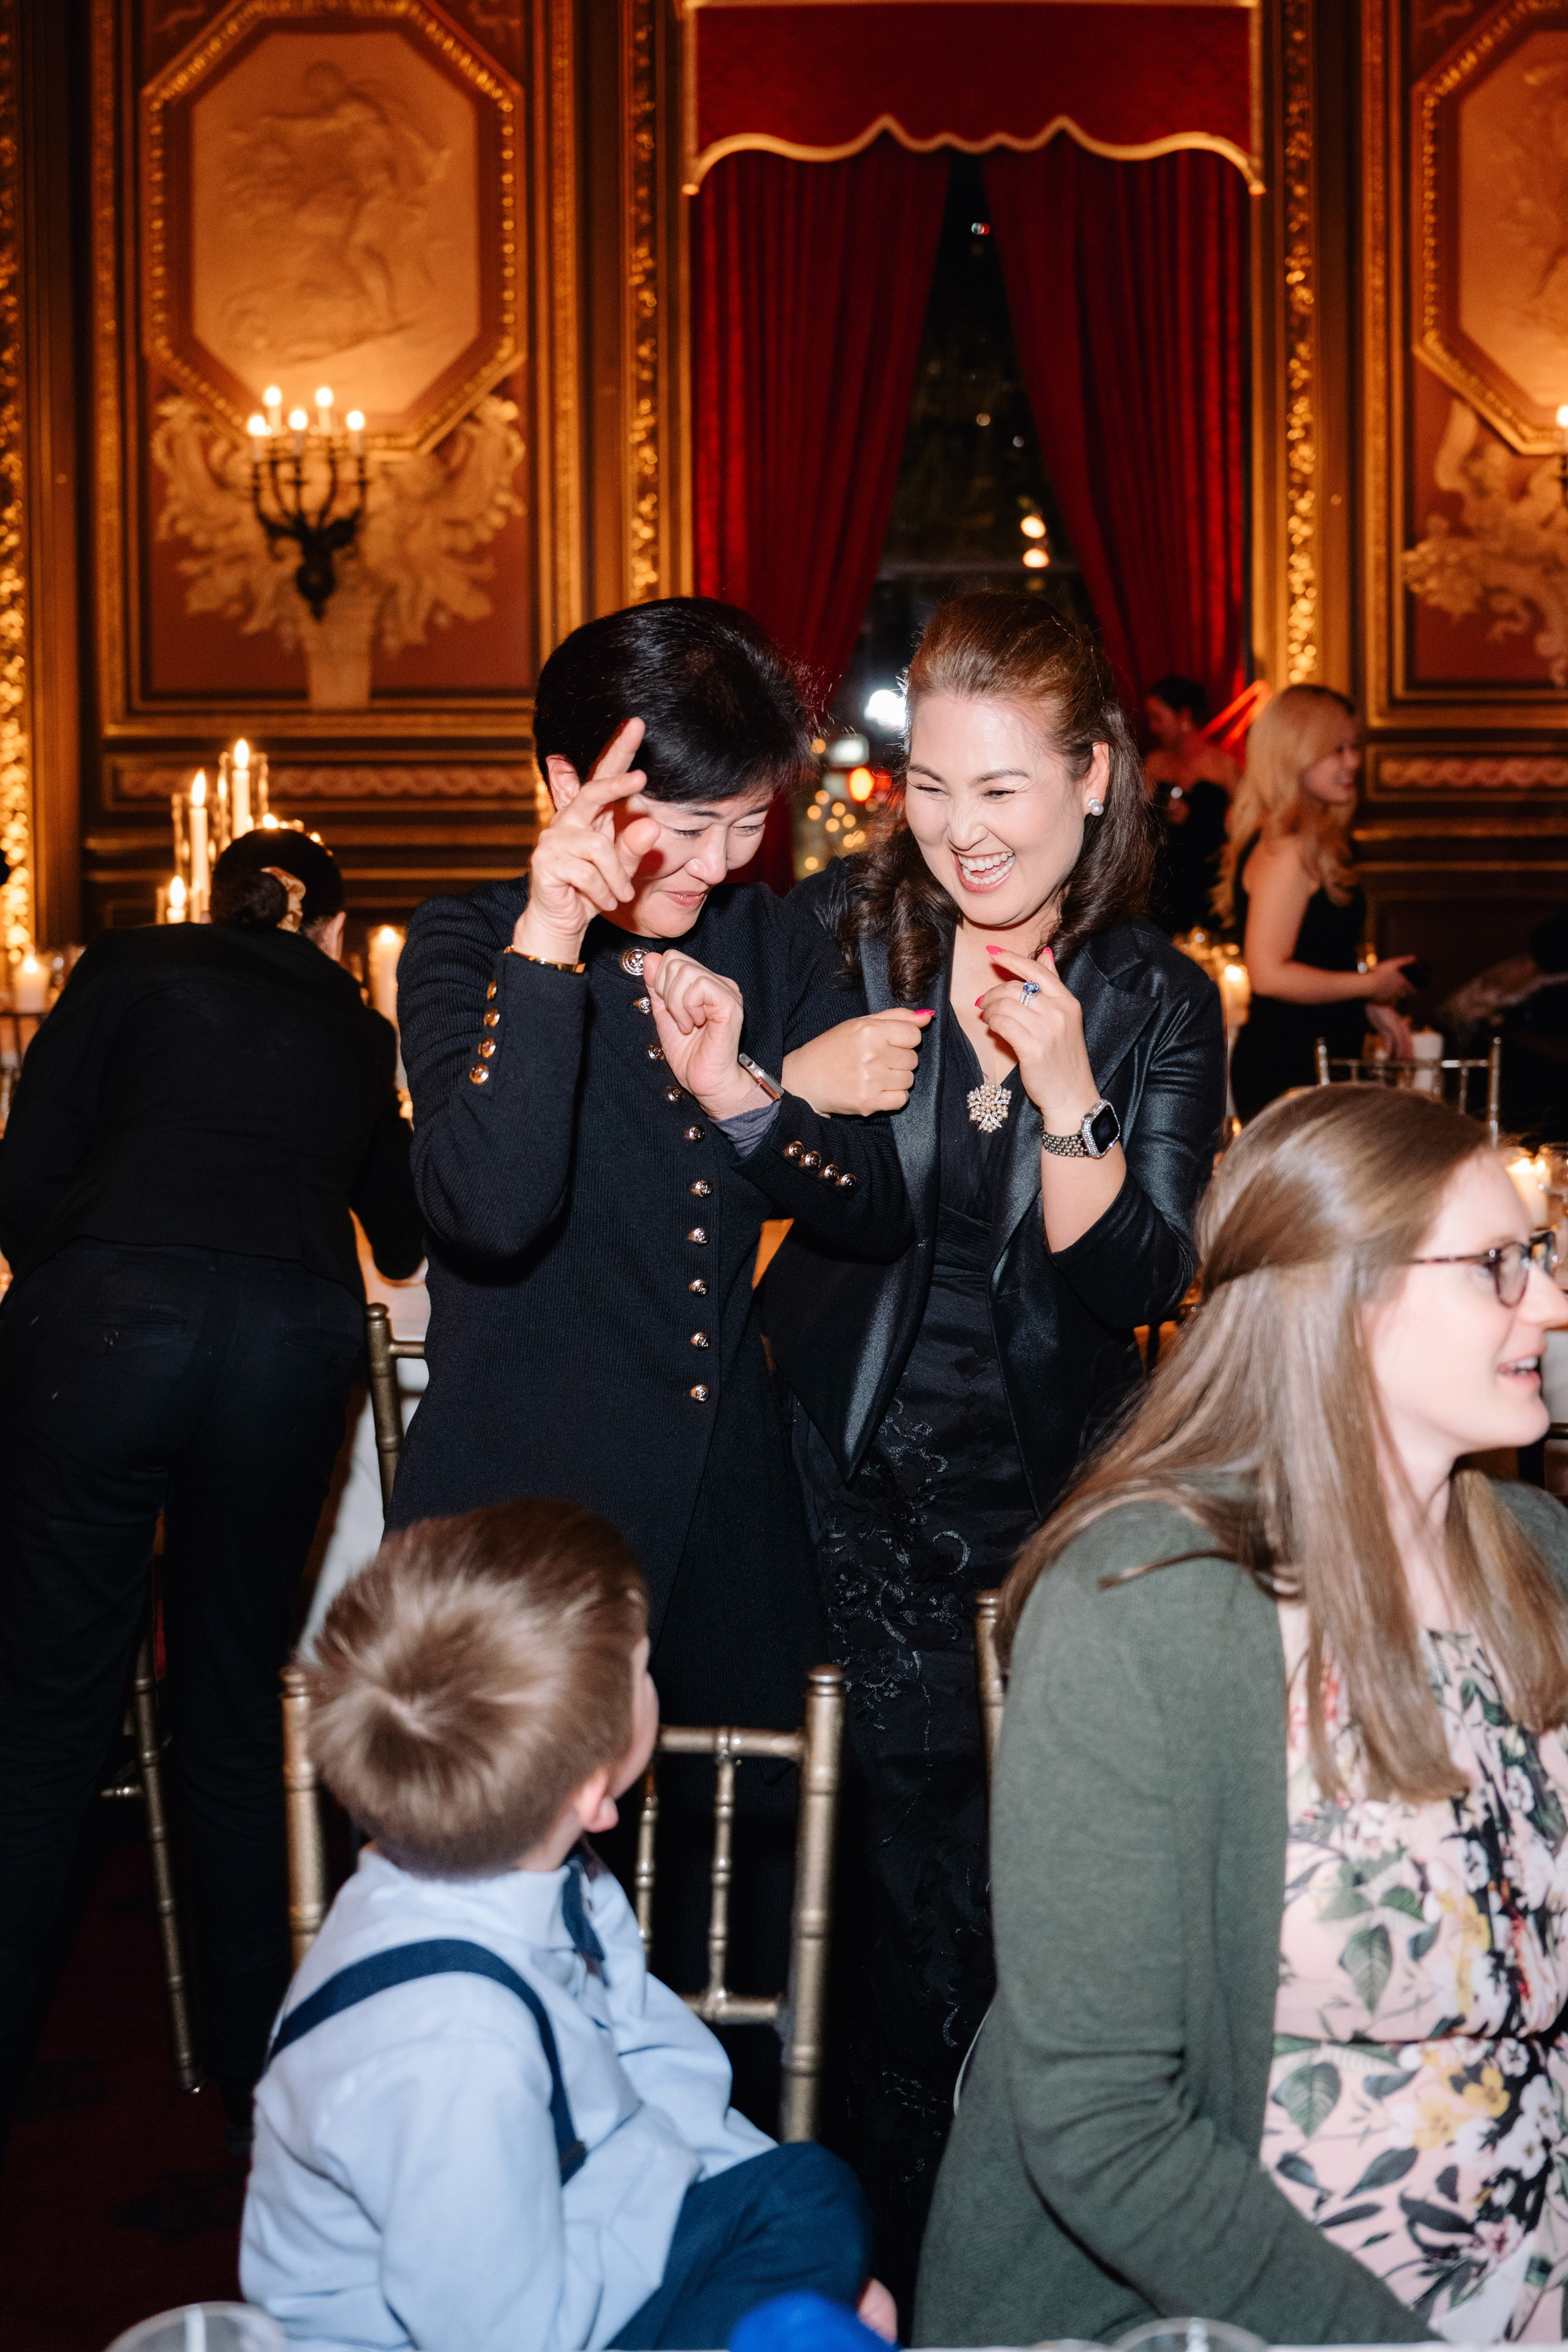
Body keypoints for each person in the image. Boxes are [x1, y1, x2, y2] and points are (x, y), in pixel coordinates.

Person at [917, 1084, 1568, 2348]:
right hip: (1248, 2303)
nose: (1546, 1303)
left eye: (1534, 1257)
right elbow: (1105, 2125)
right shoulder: (1148, 1608)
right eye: (1497, 1266)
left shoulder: (1534, 1557)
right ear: (1340, 1299)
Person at [761, 592, 1227, 2305]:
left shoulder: (1157, 996)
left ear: (1095, 784)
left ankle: (1044, 2239)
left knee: (1055, 1868)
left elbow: (1143, 1277)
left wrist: (1070, 1091)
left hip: (1058, 1497)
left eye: (1005, 791)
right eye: (931, 787)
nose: (961, 830)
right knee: (897, 1867)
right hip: (850, 1470)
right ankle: (894, 2251)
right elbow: (717, 1134)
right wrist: (790, 1085)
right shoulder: (844, 934)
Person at [391, 598, 911, 2008]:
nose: (719, 862)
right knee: (508, 1940)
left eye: (743, 823)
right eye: (678, 828)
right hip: (523, 1518)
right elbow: (487, 1212)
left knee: (734, 1929)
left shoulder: (761, 937)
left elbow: (868, 1207)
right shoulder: (467, 944)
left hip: (725, 1514)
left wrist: (747, 1089)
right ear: (565, 789)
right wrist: (554, 929)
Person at [243, 1497, 895, 2352]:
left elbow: (658, 2067)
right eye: (644, 1670)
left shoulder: (553, 1878)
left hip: (582, 2213)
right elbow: (494, 2334)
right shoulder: (450, 2058)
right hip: (501, 2322)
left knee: (811, 2189)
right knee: (821, 2250)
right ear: (592, 1794)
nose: (655, 1682)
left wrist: (756, 2228)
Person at [0, 828, 423, 2147]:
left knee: (49, 1712)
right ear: (333, 931)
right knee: (233, 1710)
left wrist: (85, 1283)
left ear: (215, 900)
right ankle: (250, 2081)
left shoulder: (127, 964)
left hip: (107, 1326)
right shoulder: (355, 1030)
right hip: (286, 1347)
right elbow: (405, 1234)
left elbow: (28, 1172)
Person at [1220, 684, 1415, 1118]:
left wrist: (1365, 1006)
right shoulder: (1288, 849)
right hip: (1289, 1068)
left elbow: (1314, 956)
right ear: (1295, 754)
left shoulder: (1303, 842)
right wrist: (1370, 985)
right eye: (1337, 750)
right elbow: (1269, 975)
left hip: (1309, 1060)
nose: (1353, 762)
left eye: (1354, 748)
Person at [1142, 673, 1236, 937]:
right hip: (1166, 881)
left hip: (1209, 879)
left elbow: (1244, 823)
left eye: (1158, 718)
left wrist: (1194, 817)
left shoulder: (1222, 765)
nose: (1152, 727)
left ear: (1184, 715)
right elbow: (1136, 823)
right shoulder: (1154, 764)